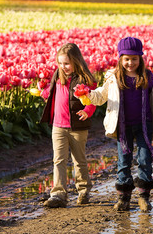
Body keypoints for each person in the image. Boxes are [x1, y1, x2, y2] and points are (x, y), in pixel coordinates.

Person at [79, 37, 153, 212]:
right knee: (123, 161)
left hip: (144, 125)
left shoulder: (147, 76)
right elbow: (101, 96)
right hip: (123, 127)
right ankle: (123, 198)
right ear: (120, 59)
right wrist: (87, 94)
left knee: (144, 159)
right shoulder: (114, 78)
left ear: (140, 58)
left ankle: (143, 197)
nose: (130, 62)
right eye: (126, 59)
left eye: (134, 58)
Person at [40, 43, 97, 208]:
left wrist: (87, 111)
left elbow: (92, 100)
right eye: (60, 63)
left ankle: (84, 189)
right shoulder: (57, 76)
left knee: (79, 160)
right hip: (58, 126)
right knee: (58, 160)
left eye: (66, 63)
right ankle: (58, 193)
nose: (63, 67)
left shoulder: (85, 80)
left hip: (78, 127)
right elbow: (51, 94)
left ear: (76, 62)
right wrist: (41, 91)